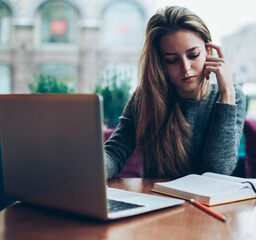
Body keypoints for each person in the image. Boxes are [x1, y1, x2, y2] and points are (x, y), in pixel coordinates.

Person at [104, 6, 246, 179]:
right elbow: (115, 152)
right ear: (160, 63)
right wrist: (91, 170)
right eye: (172, 60)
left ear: (209, 52)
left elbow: (218, 170)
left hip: (209, 204)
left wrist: (227, 95)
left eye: (193, 55)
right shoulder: (146, 97)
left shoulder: (232, 97)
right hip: (159, 202)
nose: (186, 68)